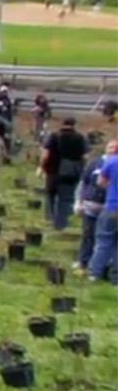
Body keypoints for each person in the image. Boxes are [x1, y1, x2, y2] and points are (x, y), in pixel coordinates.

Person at [41, 118, 91, 232]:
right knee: (66, 198)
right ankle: (61, 224)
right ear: (74, 125)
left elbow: (45, 154)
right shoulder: (80, 138)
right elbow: (85, 156)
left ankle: (49, 218)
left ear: (62, 124)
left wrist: (42, 167)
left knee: (50, 195)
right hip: (71, 173)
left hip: (53, 171)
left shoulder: (53, 136)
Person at [79, 141, 116, 278]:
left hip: (111, 206)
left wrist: (111, 187)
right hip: (101, 205)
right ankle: (114, 276)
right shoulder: (98, 162)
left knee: (103, 241)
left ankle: (95, 272)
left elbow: (100, 182)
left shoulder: (111, 163)